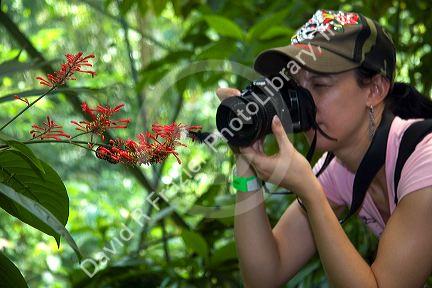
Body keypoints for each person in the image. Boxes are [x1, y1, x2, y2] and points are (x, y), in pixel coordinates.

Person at [216, 9, 432, 287]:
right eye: (297, 88)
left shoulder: (424, 160)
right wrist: (245, 156)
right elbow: (263, 276)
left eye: (319, 84)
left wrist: (310, 192)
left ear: (374, 90)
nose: (304, 101)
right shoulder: (340, 167)